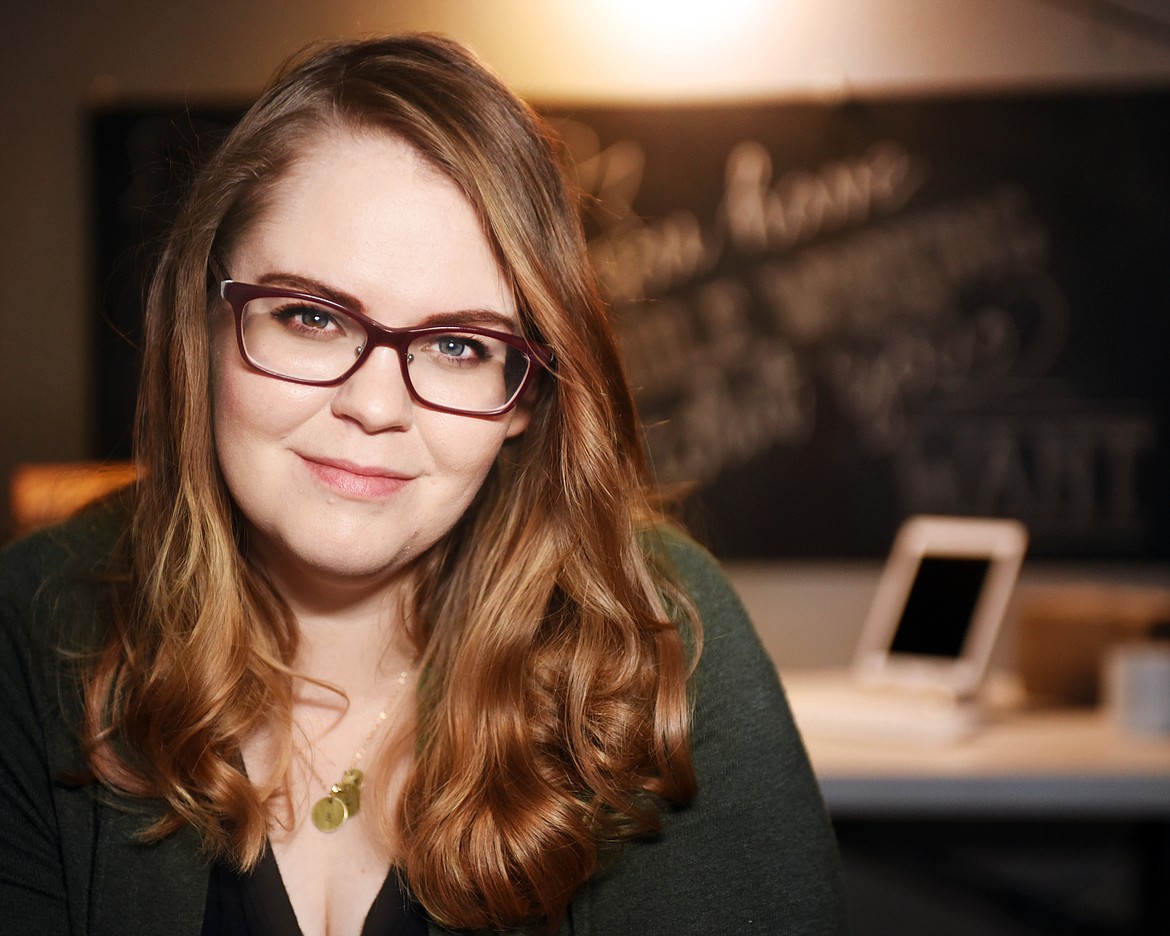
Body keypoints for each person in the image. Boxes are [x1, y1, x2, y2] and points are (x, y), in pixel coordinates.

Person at [0, 33, 845, 936]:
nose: (374, 406)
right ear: (201, 328)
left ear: (526, 395)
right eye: (312, 317)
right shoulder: (36, 623)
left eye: (458, 346)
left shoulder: (658, 635)